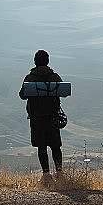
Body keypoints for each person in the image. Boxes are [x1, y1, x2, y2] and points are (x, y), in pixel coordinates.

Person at [19, 49, 64, 178]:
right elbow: (63, 91)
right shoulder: (54, 76)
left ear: (35, 61)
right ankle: (60, 173)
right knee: (55, 146)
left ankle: (46, 175)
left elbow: (22, 95)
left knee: (41, 146)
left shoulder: (30, 77)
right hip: (53, 118)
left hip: (37, 118)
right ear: (48, 61)